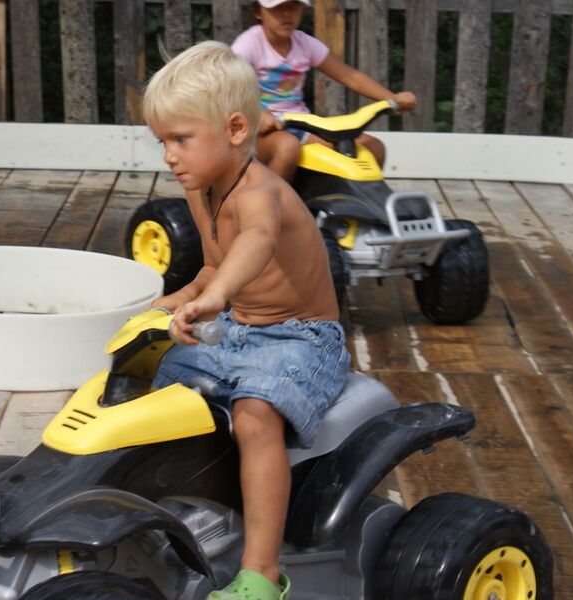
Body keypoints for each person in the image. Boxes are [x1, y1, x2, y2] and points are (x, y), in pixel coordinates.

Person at [143, 40, 350, 600]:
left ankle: (260, 573)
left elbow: (254, 244)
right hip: (239, 326)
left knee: (256, 416)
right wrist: (181, 297)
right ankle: (187, 512)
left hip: (303, 337)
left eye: (181, 139)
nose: (169, 156)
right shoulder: (201, 189)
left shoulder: (262, 193)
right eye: (162, 141)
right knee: (152, 381)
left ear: (235, 130)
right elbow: (213, 266)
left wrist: (218, 296)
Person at [231, 0, 417, 181]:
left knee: (373, 148)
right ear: (258, 11)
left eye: (294, 6)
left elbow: (349, 76)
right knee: (288, 147)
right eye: (277, 7)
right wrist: (256, 114)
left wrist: (393, 99)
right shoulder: (249, 44)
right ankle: (265, 207)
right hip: (257, 132)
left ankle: (348, 207)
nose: (287, 13)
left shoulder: (304, 44)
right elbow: (226, 89)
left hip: (301, 127)